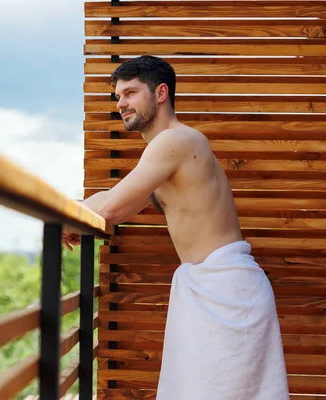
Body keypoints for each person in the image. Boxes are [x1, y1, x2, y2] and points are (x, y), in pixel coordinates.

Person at [63, 55, 289, 400]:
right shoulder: (167, 148)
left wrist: (72, 212)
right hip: (210, 286)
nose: (121, 103)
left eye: (130, 93)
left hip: (226, 290)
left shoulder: (175, 141)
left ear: (161, 93)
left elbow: (112, 206)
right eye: (118, 96)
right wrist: (79, 209)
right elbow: (116, 200)